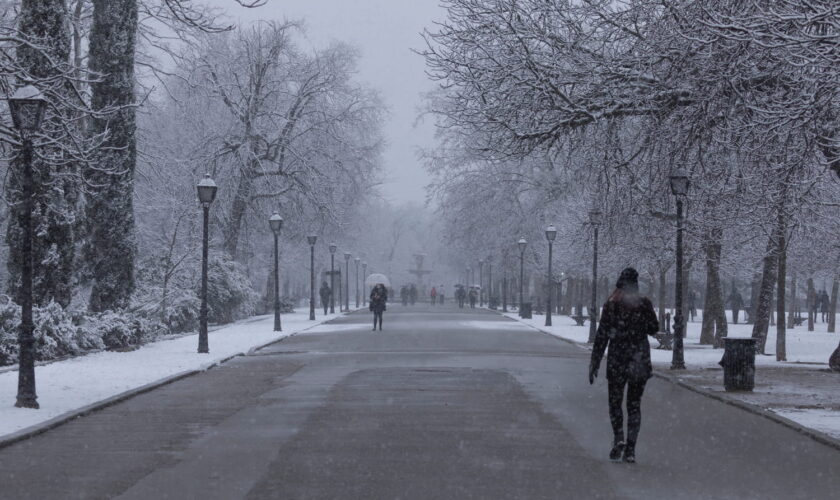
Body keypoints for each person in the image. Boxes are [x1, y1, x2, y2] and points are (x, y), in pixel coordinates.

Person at [589, 267, 659, 464]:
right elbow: (655, 328)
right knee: (634, 406)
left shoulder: (611, 305)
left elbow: (602, 335)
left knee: (615, 403)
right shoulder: (644, 304)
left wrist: (594, 362)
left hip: (618, 359)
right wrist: (640, 326)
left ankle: (618, 437)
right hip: (639, 360)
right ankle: (631, 450)